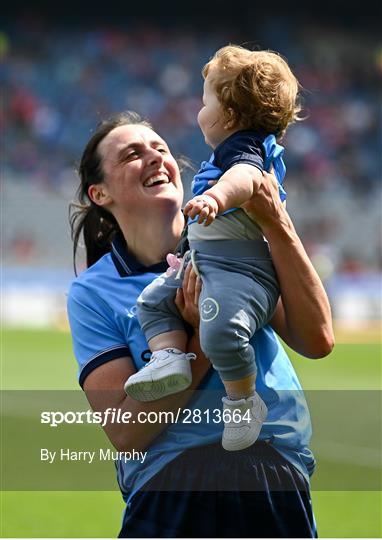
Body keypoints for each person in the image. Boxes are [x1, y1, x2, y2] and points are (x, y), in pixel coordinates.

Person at [67, 111, 334, 538]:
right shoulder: (93, 292)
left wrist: (276, 223)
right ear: (100, 193)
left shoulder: (238, 239)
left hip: (270, 471)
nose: (155, 158)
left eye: (161, 149)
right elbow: (125, 430)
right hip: (169, 485)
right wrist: (204, 339)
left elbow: (318, 339)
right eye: (133, 154)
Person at [125, 45, 301, 452]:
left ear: (231, 116)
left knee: (222, 330)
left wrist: (216, 198)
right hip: (209, 264)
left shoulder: (243, 151)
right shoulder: (224, 152)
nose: (198, 110)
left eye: (205, 100)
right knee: (153, 301)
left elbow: (246, 179)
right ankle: (169, 358)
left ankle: (243, 401)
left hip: (242, 272)